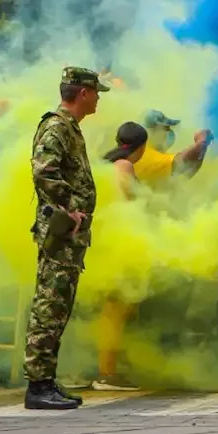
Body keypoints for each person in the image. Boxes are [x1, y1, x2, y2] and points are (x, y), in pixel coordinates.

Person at [23, 67, 110, 410]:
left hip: (70, 234)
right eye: (96, 92)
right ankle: (37, 385)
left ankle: (45, 380)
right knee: (49, 304)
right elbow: (43, 171)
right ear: (83, 93)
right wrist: (70, 209)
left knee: (58, 306)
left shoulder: (70, 128)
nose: (99, 97)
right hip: (61, 231)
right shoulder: (57, 126)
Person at [91, 122, 150, 391]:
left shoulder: (105, 163)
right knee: (115, 310)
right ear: (141, 146)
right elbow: (130, 200)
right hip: (121, 245)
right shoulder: (124, 166)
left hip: (108, 243)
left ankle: (107, 368)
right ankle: (107, 373)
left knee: (114, 309)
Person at [132, 109, 212, 187]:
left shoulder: (138, 151)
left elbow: (186, 172)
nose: (168, 133)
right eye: (166, 129)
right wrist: (201, 141)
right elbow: (181, 163)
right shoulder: (144, 155)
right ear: (152, 131)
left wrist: (202, 147)